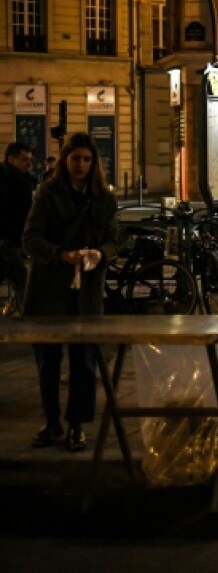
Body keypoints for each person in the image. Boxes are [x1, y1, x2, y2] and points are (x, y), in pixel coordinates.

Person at [22, 133, 118, 452]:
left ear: (94, 162)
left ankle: (77, 424)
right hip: (48, 290)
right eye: (75, 159)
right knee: (48, 362)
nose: (81, 165)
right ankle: (52, 422)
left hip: (86, 290)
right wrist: (60, 254)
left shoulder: (103, 198)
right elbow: (30, 239)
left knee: (84, 361)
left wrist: (100, 254)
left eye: (87, 159)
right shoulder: (48, 193)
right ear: (65, 160)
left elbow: (114, 239)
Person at [1, 142, 37, 305]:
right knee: (23, 281)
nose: (29, 164)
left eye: (30, 159)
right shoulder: (5, 179)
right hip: (5, 241)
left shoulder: (26, 179)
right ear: (11, 159)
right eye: (24, 160)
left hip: (14, 240)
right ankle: (27, 316)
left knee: (21, 280)